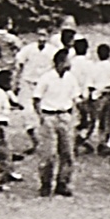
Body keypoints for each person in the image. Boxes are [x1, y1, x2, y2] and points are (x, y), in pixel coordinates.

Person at [33, 48, 80, 197]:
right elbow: (36, 99)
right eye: (67, 61)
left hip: (64, 116)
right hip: (49, 116)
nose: (69, 64)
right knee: (49, 154)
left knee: (67, 153)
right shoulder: (46, 78)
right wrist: (42, 117)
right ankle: (46, 184)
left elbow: (75, 97)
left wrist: (72, 114)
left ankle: (63, 183)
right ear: (60, 62)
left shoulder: (70, 78)